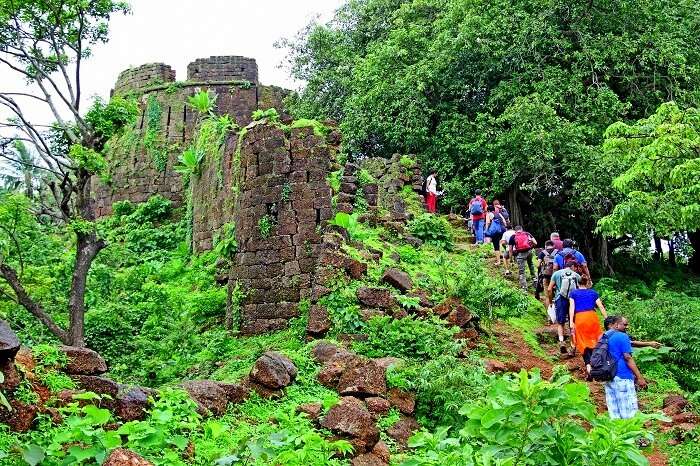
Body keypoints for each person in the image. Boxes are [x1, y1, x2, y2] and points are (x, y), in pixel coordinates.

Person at [601, 315, 647, 419]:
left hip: (609, 377)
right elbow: (628, 357)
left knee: (614, 412)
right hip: (623, 377)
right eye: (624, 324)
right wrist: (639, 377)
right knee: (629, 413)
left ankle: (618, 434)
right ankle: (632, 434)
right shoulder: (622, 336)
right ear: (616, 325)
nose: (627, 327)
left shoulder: (603, 336)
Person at [569, 276, 607, 370]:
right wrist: (607, 319)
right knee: (596, 340)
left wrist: (571, 322)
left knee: (583, 342)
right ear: (587, 283)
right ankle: (598, 364)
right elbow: (601, 307)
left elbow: (572, 308)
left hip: (580, 318)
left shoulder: (573, 293)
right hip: (592, 317)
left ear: (577, 283)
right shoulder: (593, 293)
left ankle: (589, 367)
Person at [547, 260, 581, 354]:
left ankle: (561, 341)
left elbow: (549, 289)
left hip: (560, 299)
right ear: (573, 266)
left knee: (560, 323)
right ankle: (573, 345)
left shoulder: (556, 274)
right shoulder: (576, 275)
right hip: (573, 301)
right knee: (572, 322)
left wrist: (550, 302)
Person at [508, 225, 537, 291]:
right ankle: (535, 280)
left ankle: (524, 288)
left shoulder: (513, 237)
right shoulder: (527, 234)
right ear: (522, 229)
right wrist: (530, 247)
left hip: (520, 254)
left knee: (522, 271)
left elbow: (510, 250)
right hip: (529, 252)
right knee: (531, 264)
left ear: (515, 231)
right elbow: (535, 243)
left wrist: (511, 259)